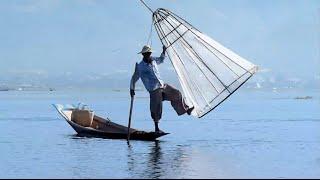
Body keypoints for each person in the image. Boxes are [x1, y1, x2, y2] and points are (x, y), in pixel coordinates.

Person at [130, 45, 194, 133]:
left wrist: (164, 51)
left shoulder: (153, 60)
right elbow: (134, 78)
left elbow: (161, 59)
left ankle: (186, 110)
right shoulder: (140, 67)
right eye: (147, 54)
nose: (149, 55)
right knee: (156, 108)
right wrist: (132, 89)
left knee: (177, 94)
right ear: (143, 55)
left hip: (162, 85)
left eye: (149, 53)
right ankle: (156, 128)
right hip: (154, 89)